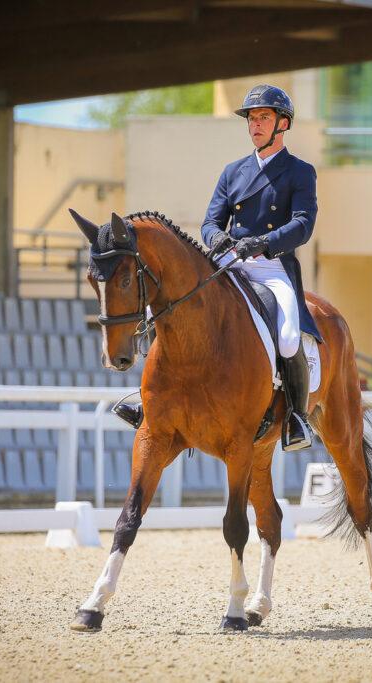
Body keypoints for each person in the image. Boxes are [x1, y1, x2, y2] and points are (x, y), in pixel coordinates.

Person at [114, 84, 322, 451]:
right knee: (168, 308)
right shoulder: (233, 172)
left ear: (282, 123)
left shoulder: (299, 171)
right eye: (252, 119)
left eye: (263, 118)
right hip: (228, 262)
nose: (255, 125)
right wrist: (217, 240)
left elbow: (303, 224)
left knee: (289, 337)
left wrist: (265, 243)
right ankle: (148, 402)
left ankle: (295, 417)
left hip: (271, 266)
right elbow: (210, 221)